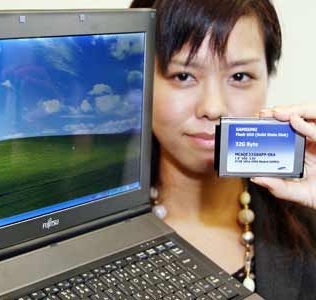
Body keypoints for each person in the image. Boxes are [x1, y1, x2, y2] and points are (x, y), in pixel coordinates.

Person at [130, 0, 316, 299]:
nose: (213, 108)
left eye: (240, 76)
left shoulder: (306, 224)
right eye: (183, 76)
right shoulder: (84, 230)